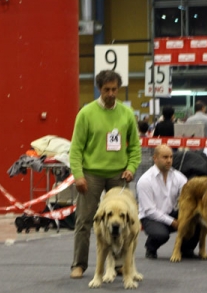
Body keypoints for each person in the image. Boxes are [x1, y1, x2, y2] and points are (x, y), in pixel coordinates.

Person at [68, 69, 141, 279]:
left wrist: (131, 168)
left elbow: (135, 147)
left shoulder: (127, 114)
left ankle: (119, 265)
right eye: (107, 89)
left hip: (119, 175)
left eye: (114, 89)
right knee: (84, 220)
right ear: (99, 89)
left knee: (125, 221)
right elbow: (76, 149)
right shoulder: (86, 113)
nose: (111, 93)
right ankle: (79, 264)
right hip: (90, 175)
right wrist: (78, 174)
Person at [136, 144, 199, 260]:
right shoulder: (145, 181)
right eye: (165, 157)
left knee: (197, 217)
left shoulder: (178, 176)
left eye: (171, 157)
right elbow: (149, 210)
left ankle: (186, 249)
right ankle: (151, 247)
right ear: (155, 158)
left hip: (172, 212)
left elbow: (189, 193)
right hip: (151, 217)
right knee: (161, 235)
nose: (169, 160)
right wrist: (172, 222)